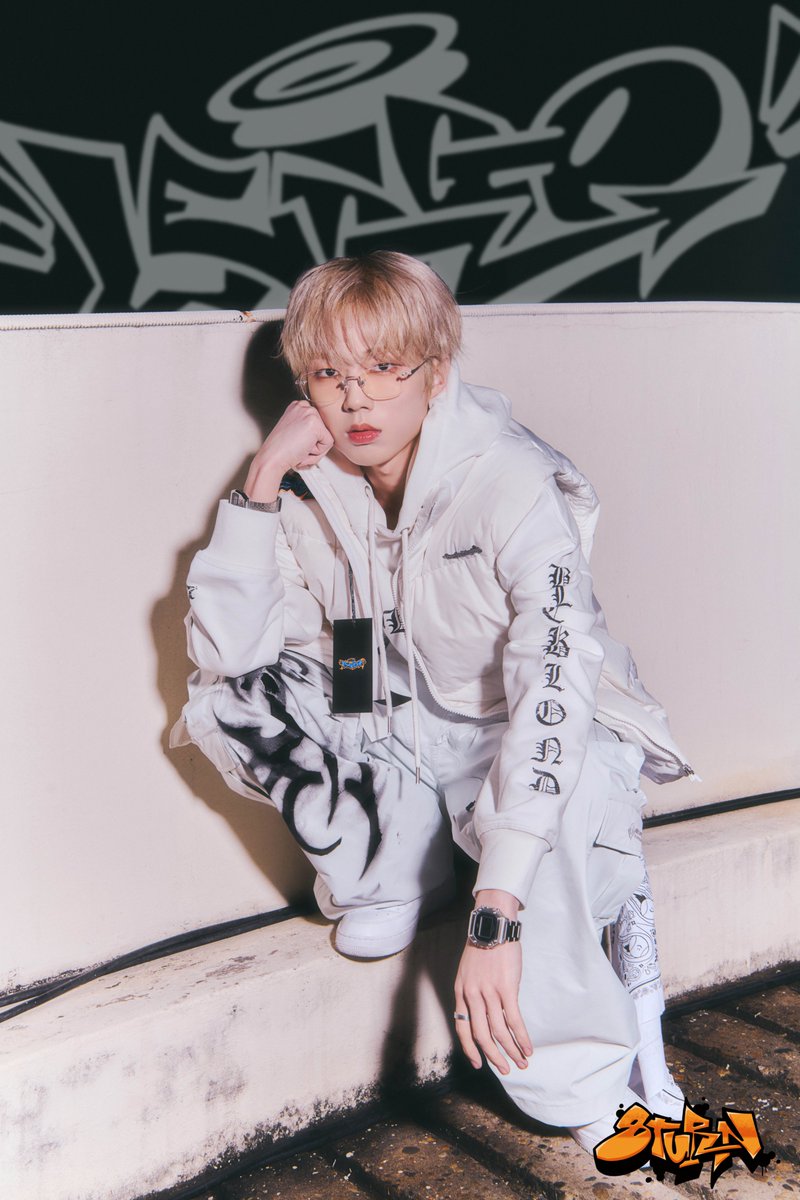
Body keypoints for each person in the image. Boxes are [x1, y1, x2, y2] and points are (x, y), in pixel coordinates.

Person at [172, 251, 694, 1150]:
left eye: (384, 368)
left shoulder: (511, 481)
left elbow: (553, 689)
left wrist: (495, 912)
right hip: (391, 731)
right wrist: (259, 486)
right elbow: (228, 653)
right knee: (226, 699)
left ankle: (582, 1087)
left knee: (564, 798)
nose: (356, 400)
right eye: (329, 374)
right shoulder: (305, 487)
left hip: (516, 734)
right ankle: (391, 864)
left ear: (437, 372)